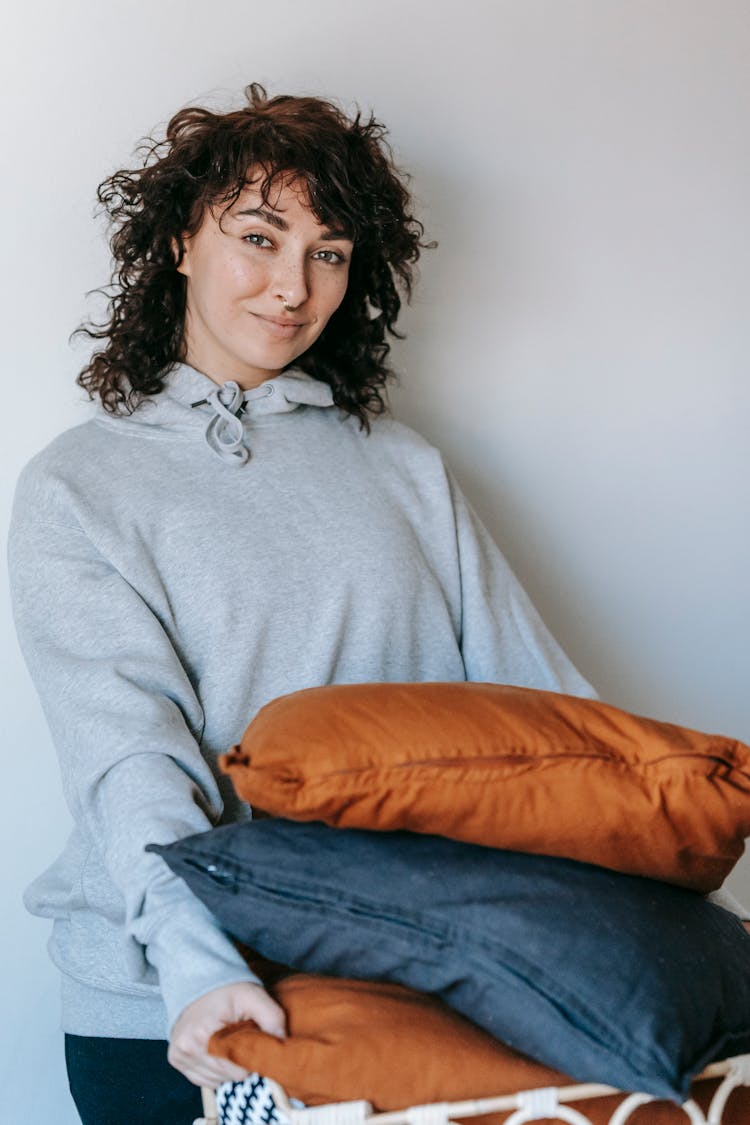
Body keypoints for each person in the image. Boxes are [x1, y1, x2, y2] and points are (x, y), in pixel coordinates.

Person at [9, 83, 601, 1125]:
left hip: (404, 989)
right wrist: (199, 969)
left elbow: (543, 723)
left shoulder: (406, 469)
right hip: (173, 1016)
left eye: (327, 254)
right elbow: (130, 761)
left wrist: (678, 923)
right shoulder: (81, 486)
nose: (293, 287)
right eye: (259, 237)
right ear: (180, 243)